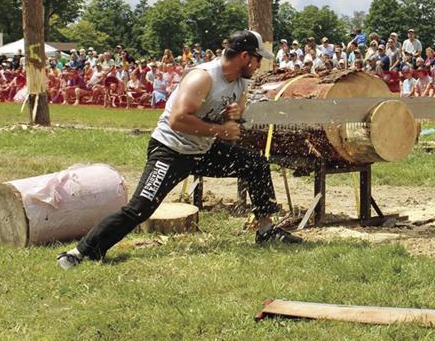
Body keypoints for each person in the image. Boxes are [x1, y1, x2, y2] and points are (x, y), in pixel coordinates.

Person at [57, 30, 301, 270]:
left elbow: (234, 114)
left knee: (255, 164)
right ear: (246, 56)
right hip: (170, 151)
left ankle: (265, 230)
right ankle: (81, 252)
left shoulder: (240, 81)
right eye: (258, 59)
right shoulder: (203, 77)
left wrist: (235, 115)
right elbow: (178, 120)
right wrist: (222, 132)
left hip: (202, 150)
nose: (259, 65)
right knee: (140, 208)